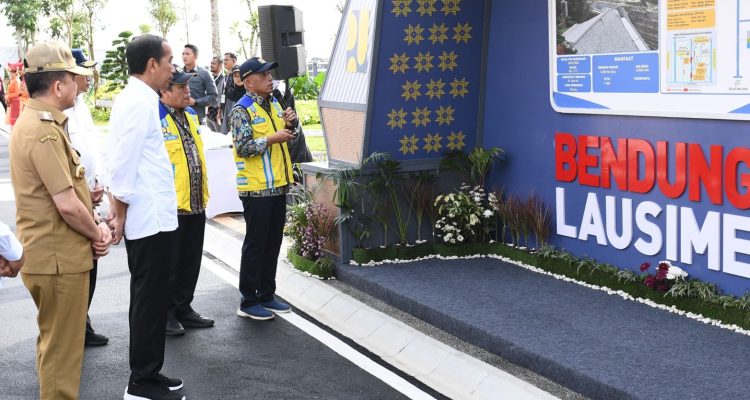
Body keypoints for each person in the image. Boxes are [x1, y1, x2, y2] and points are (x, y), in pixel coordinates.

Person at [9, 41, 112, 400]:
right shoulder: (45, 129)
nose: (78, 86)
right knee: (63, 357)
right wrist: (97, 230)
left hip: (53, 257)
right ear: (57, 86)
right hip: (58, 260)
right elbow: (66, 204)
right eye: (74, 79)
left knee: (53, 347)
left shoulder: (39, 122)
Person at [107, 34, 186, 400]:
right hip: (147, 219)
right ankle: (141, 382)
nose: (173, 67)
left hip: (155, 216)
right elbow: (123, 163)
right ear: (152, 64)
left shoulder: (141, 99)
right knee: (148, 300)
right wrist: (118, 215)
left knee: (152, 299)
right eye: (169, 60)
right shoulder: (138, 103)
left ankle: (149, 373)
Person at [229, 57, 298, 320]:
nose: (270, 78)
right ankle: (248, 300)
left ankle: (267, 294)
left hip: (278, 185)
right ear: (249, 82)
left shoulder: (275, 103)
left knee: (273, 243)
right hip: (256, 189)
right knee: (256, 245)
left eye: (270, 74)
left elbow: (291, 139)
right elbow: (243, 147)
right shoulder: (241, 110)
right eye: (264, 75)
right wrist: (272, 139)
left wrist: (291, 125)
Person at [158, 67, 214, 336]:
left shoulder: (191, 115)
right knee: (170, 263)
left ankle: (183, 307)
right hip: (172, 205)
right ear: (164, 92)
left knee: (191, 260)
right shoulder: (155, 119)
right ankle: (166, 313)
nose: (187, 91)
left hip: (195, 201)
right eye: (180, 87)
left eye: (187, 86)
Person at [64, 48, 110, 347]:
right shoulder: (60, 111)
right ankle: (75, 328)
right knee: (80, 265)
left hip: (90, 194)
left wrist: (99, 183)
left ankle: (83, 323)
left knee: (91, 262)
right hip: (73, 198)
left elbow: (91, 148)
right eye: (84, 72)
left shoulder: (80, 105)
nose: (90, 78)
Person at [181, 44, 217, 124]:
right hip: (180, 119)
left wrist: (196, 102)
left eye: (187, 54)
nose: (184, 56)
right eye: (183, 54)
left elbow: (214, 97)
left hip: (197, 119)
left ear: (195, 56)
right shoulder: (179, 73)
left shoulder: (205, 73)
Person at [220, 64, 245, 134]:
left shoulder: (251, 93)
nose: (238, 78)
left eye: (240, 75)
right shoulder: (230, 95)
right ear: (232, 78)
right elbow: (227, 116)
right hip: (235, 130)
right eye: (235, 76)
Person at [206, 56, 224, 132]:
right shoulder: (210, 78)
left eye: (213, 63)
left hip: (217, 115)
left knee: (221, 139)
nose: (211, 65)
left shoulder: (223, 79)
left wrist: (219, 112)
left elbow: (222, 98)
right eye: (211, 63)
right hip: (209, 115)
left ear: (220, 65)